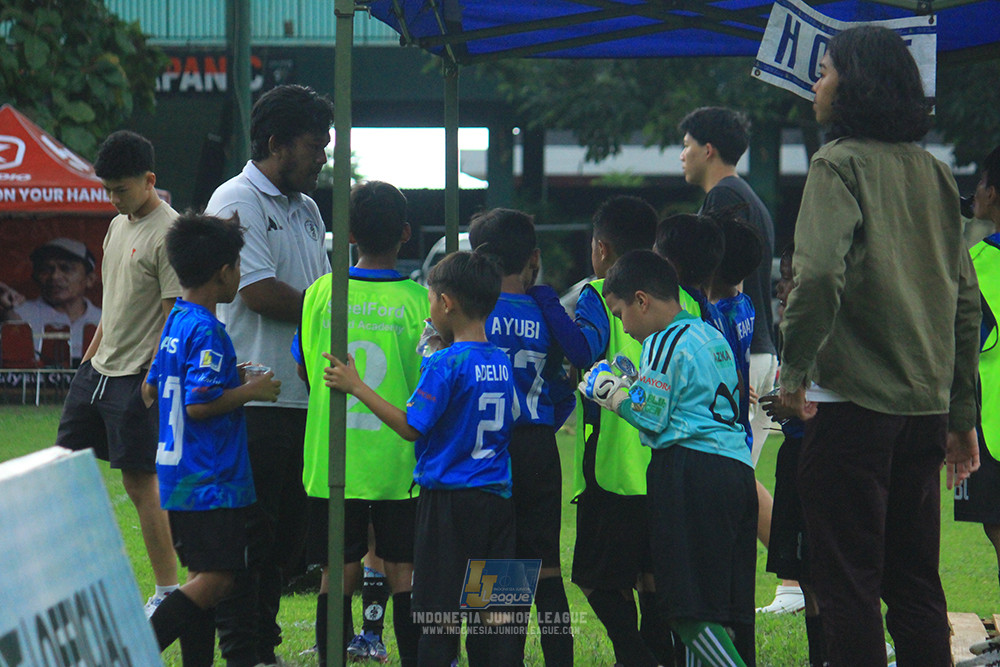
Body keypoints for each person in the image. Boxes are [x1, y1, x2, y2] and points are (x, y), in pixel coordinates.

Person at [777, 26, 980, 667]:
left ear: (854, 85)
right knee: (917, 585)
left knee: (847, 588)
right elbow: (966, 303)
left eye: (825, 70)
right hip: (923, 415)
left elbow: (814, 276)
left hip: (849, 407)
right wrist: (962, 416)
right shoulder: (938, 174)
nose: (816, 83)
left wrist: (792, 374)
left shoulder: (837, 163)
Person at [324, 250, 519, 666]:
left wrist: (357, 386)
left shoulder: (446, 363)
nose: (429, 307)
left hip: (448, 505)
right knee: (494, 618)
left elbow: (413, 426)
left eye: (431, 299)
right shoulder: (502, 361)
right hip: (497, 502)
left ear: (446, 303)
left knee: (438, 617)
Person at [205, 83, 334, 667]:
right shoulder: (236, 199)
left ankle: (262, 643)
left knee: (286, 546)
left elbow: (324, 293)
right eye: (315, 145)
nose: (324, 156)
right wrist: (334, 313)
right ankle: (246, 650)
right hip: (253, 398)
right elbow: (256, 293)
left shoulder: (307, 209)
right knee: (252, 539)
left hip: (304, 399)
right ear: (277, 143)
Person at [580, 249, 756, 667]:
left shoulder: (663, 340)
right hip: (735, 470)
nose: (624, 325)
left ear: (642, 301)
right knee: (721, 609)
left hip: (690, 471)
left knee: (687, 610)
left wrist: (610, 392)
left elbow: (651, 416)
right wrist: (635, 385)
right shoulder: (710, 334)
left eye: (621, 314)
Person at [531, 195, 668, 667]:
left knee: (594, 577)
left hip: (612, 466)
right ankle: (656, 657)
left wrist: (547, 301)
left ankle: (636, 656)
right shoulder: (678, 292)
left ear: (602, 249)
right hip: (667, 465)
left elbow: (585, 351)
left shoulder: (596, 291)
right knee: (652, 577)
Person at [294, 180, 425, 667]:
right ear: (406, 234)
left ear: (346, 234)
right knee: (404, 570)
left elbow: (305, 366)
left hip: (334, 456)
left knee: (337, 571)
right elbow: (428, 388)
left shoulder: (320, 293)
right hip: (397, 459)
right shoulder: (419, 302)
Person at [144, 212, 282, 666]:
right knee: (219, 580)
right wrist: (251, 391)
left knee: (201, 578)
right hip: (210, 480)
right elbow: (199, 405)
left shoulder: (177, 321)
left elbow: (154, 387)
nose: (240, 274)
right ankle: (131, 647)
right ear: (224, 272)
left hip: (178, 476)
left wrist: (229, 375)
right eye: (238, 266)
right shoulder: (207, 328)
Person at [677, 107, 800, 615]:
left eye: (685, 144)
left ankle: (798, 575)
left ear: (708, 149)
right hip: (754, 346)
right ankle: (795, 578)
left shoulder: (724, 199)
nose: (681, 155)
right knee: (735, 477)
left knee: (730, 478)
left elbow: (714, 281)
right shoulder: (744, 195)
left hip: (740, 350)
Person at [54, 130, 181, 615]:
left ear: (150, 180)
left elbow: (172, 311)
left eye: (121, 189)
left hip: (136, 376)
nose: (113, 198)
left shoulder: (169, 232)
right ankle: (70, 580)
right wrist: (89, 357)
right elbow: (114, 301)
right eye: (107, 189)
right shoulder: (117, 225)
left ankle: (167, 592)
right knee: (63, 471)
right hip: (97, 369)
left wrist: (151, 375)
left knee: (137, 482)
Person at [469, 208, 575, 664]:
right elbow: (562, 380)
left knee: (493, 569)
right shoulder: (543, 310)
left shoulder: (474, 311)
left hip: (489, 447)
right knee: (546, 567)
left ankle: (494, 657)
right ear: (533, 257)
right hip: (538, 445)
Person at [759, 243, 827, 667]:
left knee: (824, 576)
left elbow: (830, 406)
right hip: (797, 453)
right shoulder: (795, 334)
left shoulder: (826, 333)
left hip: (818, 461)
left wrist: (797, 408)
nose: (781, 290)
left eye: (788, 279)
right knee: (809, 578)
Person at [953, 145, 1000, 665]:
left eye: (982, 183)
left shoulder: (980, 261)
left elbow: (969, 340)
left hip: (992, 422)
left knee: (998, 527)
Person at [0, 238, 102, 364]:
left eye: (66, 268)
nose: (55, 276)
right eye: (46, 269)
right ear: (36, 277)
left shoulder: (104, 321)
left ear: (90, 279)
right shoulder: (18, 315)